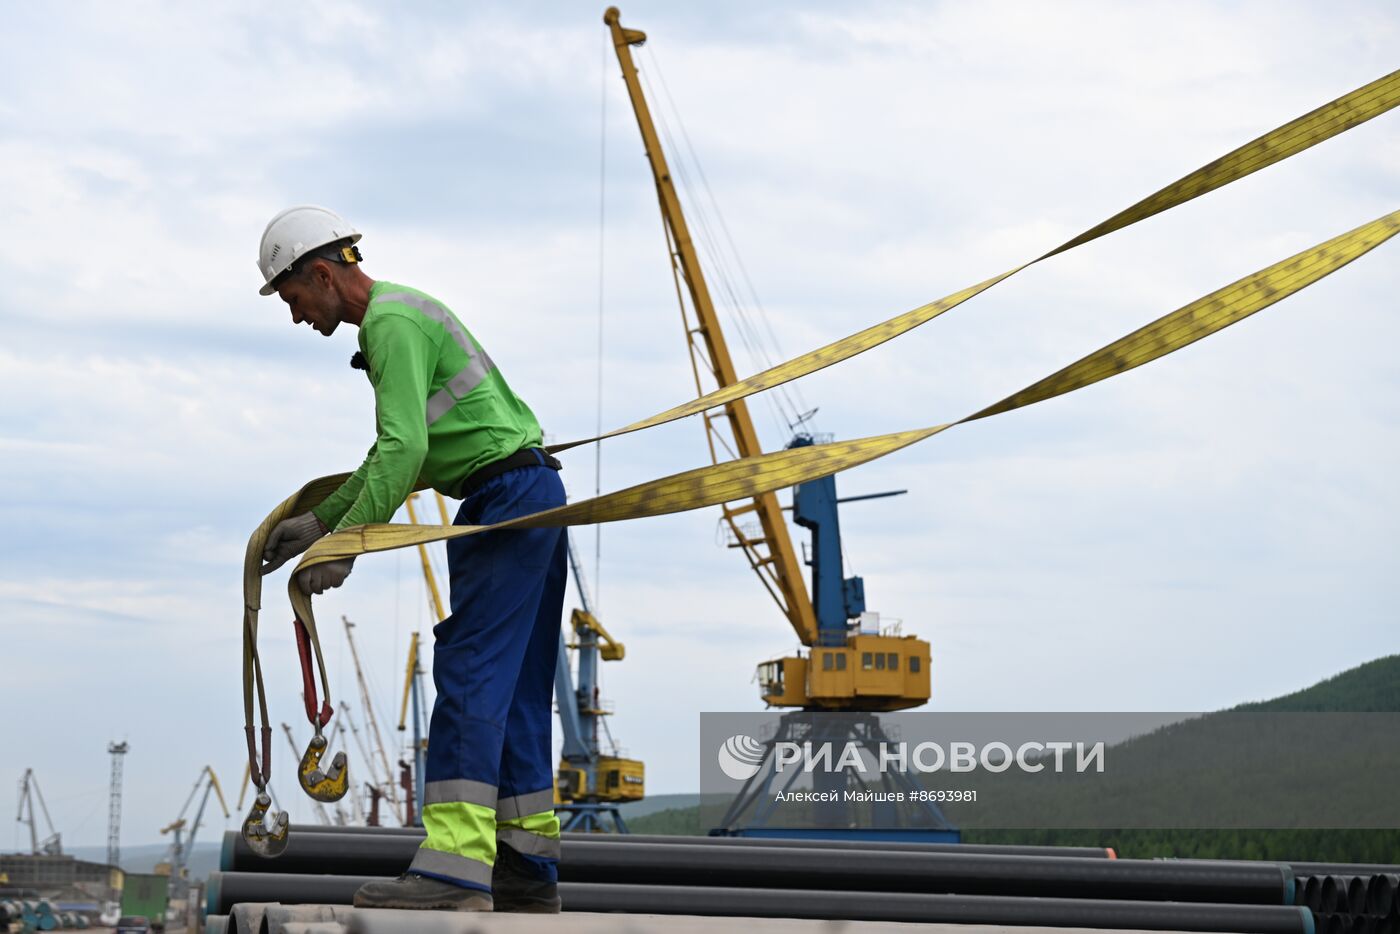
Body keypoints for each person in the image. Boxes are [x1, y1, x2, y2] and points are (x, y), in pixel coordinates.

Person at [255, 205, 566, 912]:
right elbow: (392, 458)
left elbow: (404, 453)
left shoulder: (390, 325)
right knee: (516, 685)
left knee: (470, 671)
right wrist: (316, 524)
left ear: (324, 274)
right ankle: (526, 864)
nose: (296, 316)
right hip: (529, 493)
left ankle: (453, 870)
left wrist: (349, 545)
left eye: (293, 296)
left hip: (505, 500)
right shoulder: (403, 314)